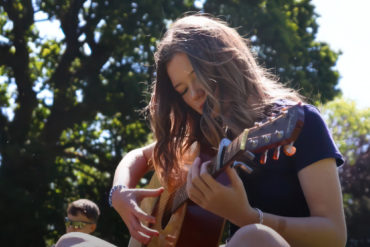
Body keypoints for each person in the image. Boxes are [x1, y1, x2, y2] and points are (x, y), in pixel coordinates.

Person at [111, 13, 347, 246]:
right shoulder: (202, 141)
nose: (194, 94)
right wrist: (119, 192)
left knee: (253, 236)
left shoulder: (300, 121)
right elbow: (139, 156)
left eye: (198, 76)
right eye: (182, 90)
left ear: (224, 62)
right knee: (75, 240)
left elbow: (334, 235)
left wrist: (247, 217)